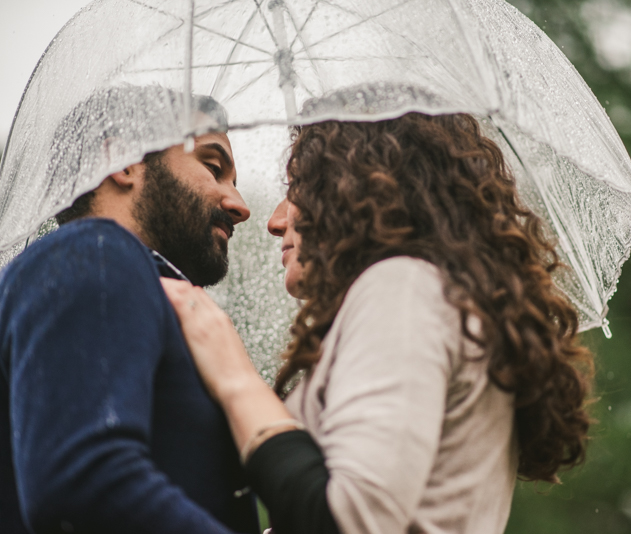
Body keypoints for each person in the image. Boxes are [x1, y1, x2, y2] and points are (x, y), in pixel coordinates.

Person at [163, 112, 595, 534]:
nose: (276, 221)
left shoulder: (405, 288)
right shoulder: (433, 301)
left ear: (362, 190)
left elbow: (351, 521)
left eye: (297, 187)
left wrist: (234, 376)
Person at [0, 85, 259, 533]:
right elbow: (88, 485)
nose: (240, 206)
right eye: (213, 167)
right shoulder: (96, 250)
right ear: (122, 161)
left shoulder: (125, 284)